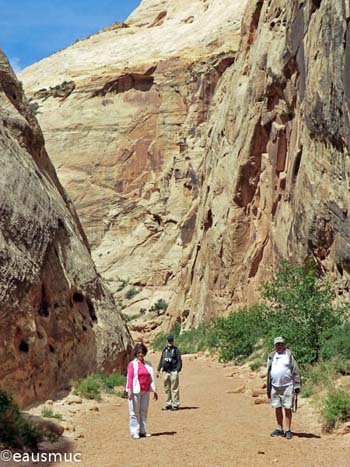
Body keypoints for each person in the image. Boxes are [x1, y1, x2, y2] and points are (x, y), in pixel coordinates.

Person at [267, 336, 301, 439]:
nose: (279, 346)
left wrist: (297, 385)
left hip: (288, 386)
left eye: (281, 343)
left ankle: (288, 430)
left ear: (284, 344)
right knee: (277, 407)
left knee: (287, 407)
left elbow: (295, 371)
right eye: (277, 344)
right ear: (274, 345)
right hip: (274, 385)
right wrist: (268, 388)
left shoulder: (289, 355)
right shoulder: (271, 356)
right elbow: (268, 372)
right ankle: (279, 428)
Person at [126, 343, 158, 439]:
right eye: (139, 352)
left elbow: (151, 378)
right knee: (134, 412)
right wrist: (129, 390)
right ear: (136, 353)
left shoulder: (148, 364)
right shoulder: (132, 364)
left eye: (142, 352)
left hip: (145, 390)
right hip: (135, 390)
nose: (141, 354)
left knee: (143, 411)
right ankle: (134, 432)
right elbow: (130, 378)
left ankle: (143, 431)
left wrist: (155, 390)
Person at [156, 335, 182, 411]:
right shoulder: (164, 350)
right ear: (167, 341)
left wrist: (177, 370)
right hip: (165, 372)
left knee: (174, 388)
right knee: (166, 389)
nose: (170, 342)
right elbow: (161, 360)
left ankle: (175, 404)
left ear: (173, 341)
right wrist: (158, 369)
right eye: (169, 341)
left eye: (171, 341)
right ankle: (169, 403)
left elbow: (179, 361)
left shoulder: (176, 350)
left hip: (173, 371)